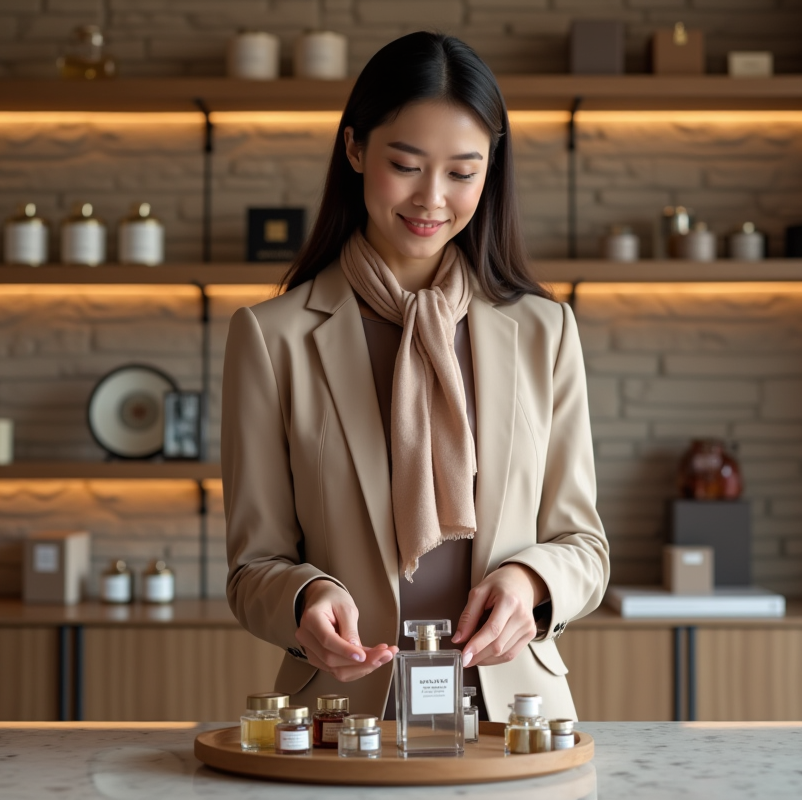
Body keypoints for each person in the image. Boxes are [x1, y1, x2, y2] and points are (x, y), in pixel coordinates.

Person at [222, 31, 608, 722]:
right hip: (345, 719)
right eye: (405, 165)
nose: (432, 198)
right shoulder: (271, 338)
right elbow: (254, 567)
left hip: (513, 719)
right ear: (354, 149)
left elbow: (584, 547)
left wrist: (530, 581)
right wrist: (305, 598)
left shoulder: (544, 331)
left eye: (462, 172)